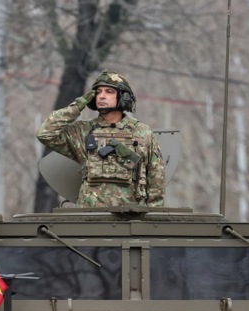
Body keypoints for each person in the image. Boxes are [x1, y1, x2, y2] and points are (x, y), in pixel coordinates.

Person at [36, 70, 166, 208]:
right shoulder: (83, 131)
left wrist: (150, 221)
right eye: (98, 92)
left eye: (109, 91)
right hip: (89, 219)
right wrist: (77, 107)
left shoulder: (142, 133)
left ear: (124, 97)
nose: (102, 96)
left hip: (129, 217)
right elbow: (45, 133)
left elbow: (156, 180)